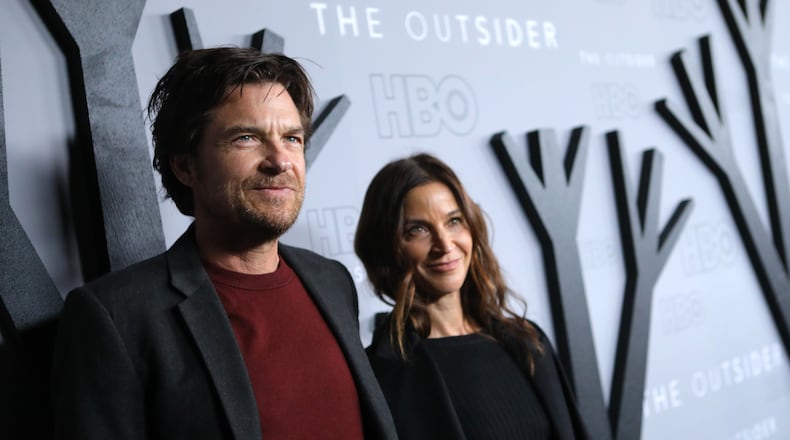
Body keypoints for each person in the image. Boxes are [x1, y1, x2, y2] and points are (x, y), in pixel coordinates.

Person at [51, 47, 396, 440]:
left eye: (292, 138)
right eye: (247, 138)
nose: (280, 161)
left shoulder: (332, 281)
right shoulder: (116, 318)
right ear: (186, 166)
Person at [355, 153, 589, 440]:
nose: (445, 244)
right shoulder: (381, 377)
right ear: (387, 248)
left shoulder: (529, 343)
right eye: (418, 230)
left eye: (454, 221)